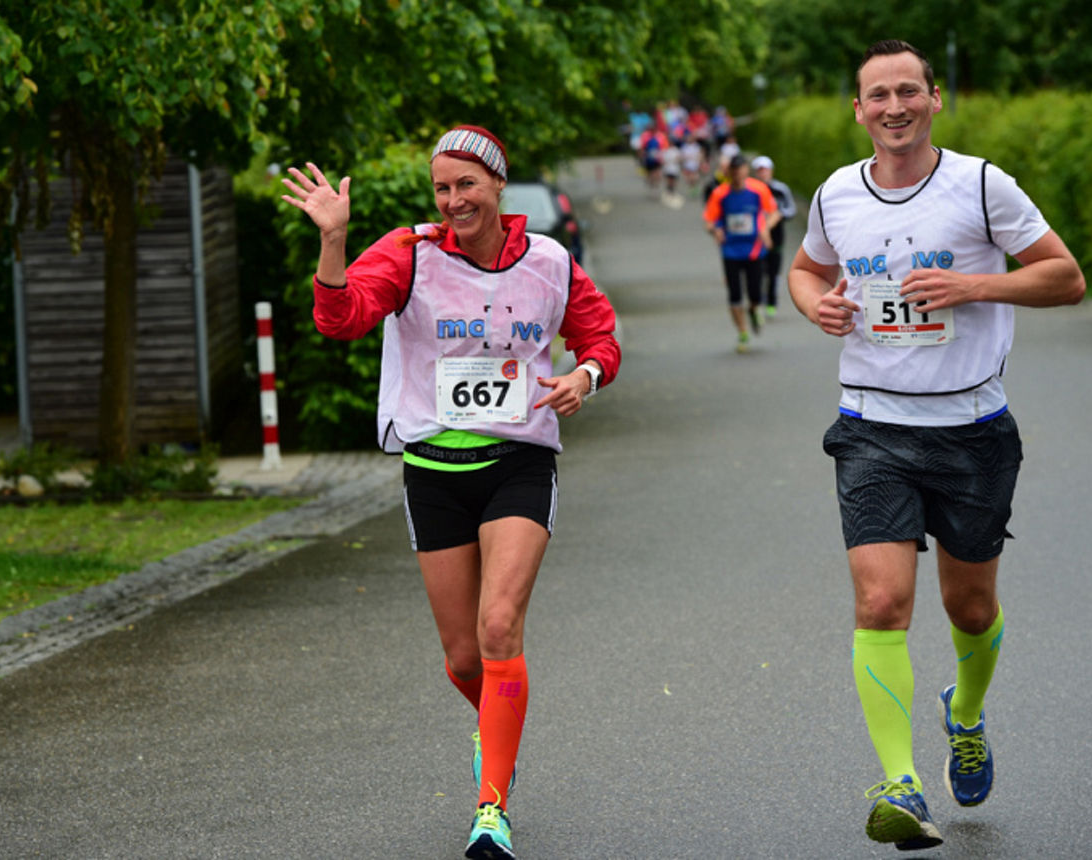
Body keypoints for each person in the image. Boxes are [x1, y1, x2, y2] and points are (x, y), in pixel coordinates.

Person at [281, 125, 621, 860]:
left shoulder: (551, 262)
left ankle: (490, 808)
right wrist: (334, 242)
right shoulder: (409, 253)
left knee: (501, 627)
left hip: (520, 462)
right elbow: (338, 319)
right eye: (441, 187)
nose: (453, 199)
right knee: (465, 658)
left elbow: (600, 337)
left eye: (466, 183)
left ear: (498, 186)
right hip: (433, 470)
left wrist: (583, 376)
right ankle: (496, 732)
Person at [787, 40, 1086, 851]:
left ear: (934, 99)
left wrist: (974, 284)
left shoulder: (982, 185)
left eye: (908, 91)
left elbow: (1066, 276)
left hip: (972, 431)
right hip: (872, 426)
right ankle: (901, 784)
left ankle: (966, 713)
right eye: (877, 94)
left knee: (971, 605)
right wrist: (816, 304)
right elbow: (805, 270)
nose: (893, 107)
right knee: (881, 601)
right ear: (858, 109)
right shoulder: (836, 194)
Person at [703, 153, 781, 351]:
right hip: (730, 250)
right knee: (734, 295)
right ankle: (743, 333)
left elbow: (774, 212)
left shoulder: (758, 189)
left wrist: (765, 229)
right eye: (734, 170)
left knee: (755, 294)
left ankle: (754, 310)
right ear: (728, 172)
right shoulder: (720, 194)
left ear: (746, 170)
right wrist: (716, 230)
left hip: (754, 249)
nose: (738, 174)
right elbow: (708, 220)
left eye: (741, 170)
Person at [751, 155, 797, 318]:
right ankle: (758, 299)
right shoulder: (751, 189)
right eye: (759, 170)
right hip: (755, 238)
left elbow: (791, 209)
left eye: (765, 170)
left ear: (771, 171)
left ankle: (771, 301)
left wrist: (777, 215)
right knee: (758, 270)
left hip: (776, 236)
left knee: (773, 271)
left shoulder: (780, 189)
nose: (763, 173)